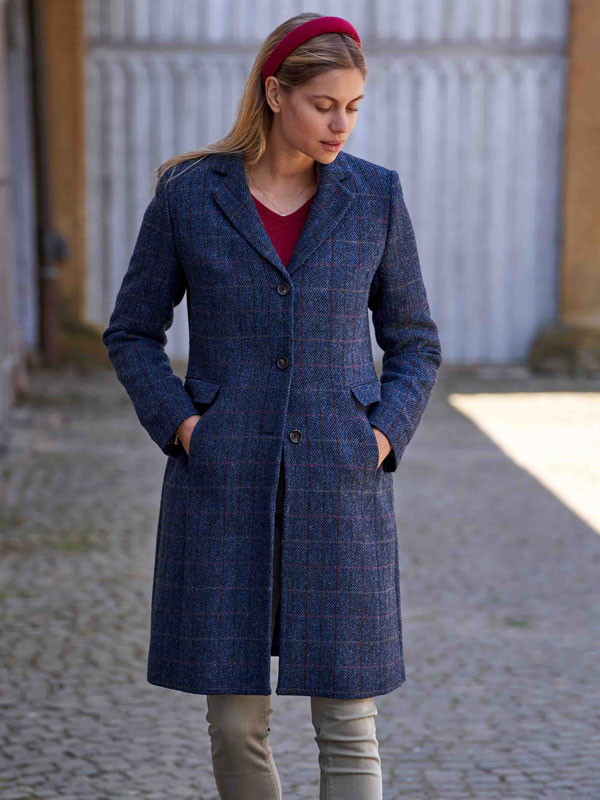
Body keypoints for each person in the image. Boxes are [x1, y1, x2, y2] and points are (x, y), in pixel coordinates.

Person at [102, 12, 442, 800]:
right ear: (275, 92)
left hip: (340, 478)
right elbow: (132, 332)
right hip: (224, 479)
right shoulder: (190, 195)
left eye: (353, 107)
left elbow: (415, 341)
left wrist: (381, 437)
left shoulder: (376, 196)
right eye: (324, 104)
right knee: (234, 725)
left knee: (349, 721)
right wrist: (185, 426)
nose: (341, 124)